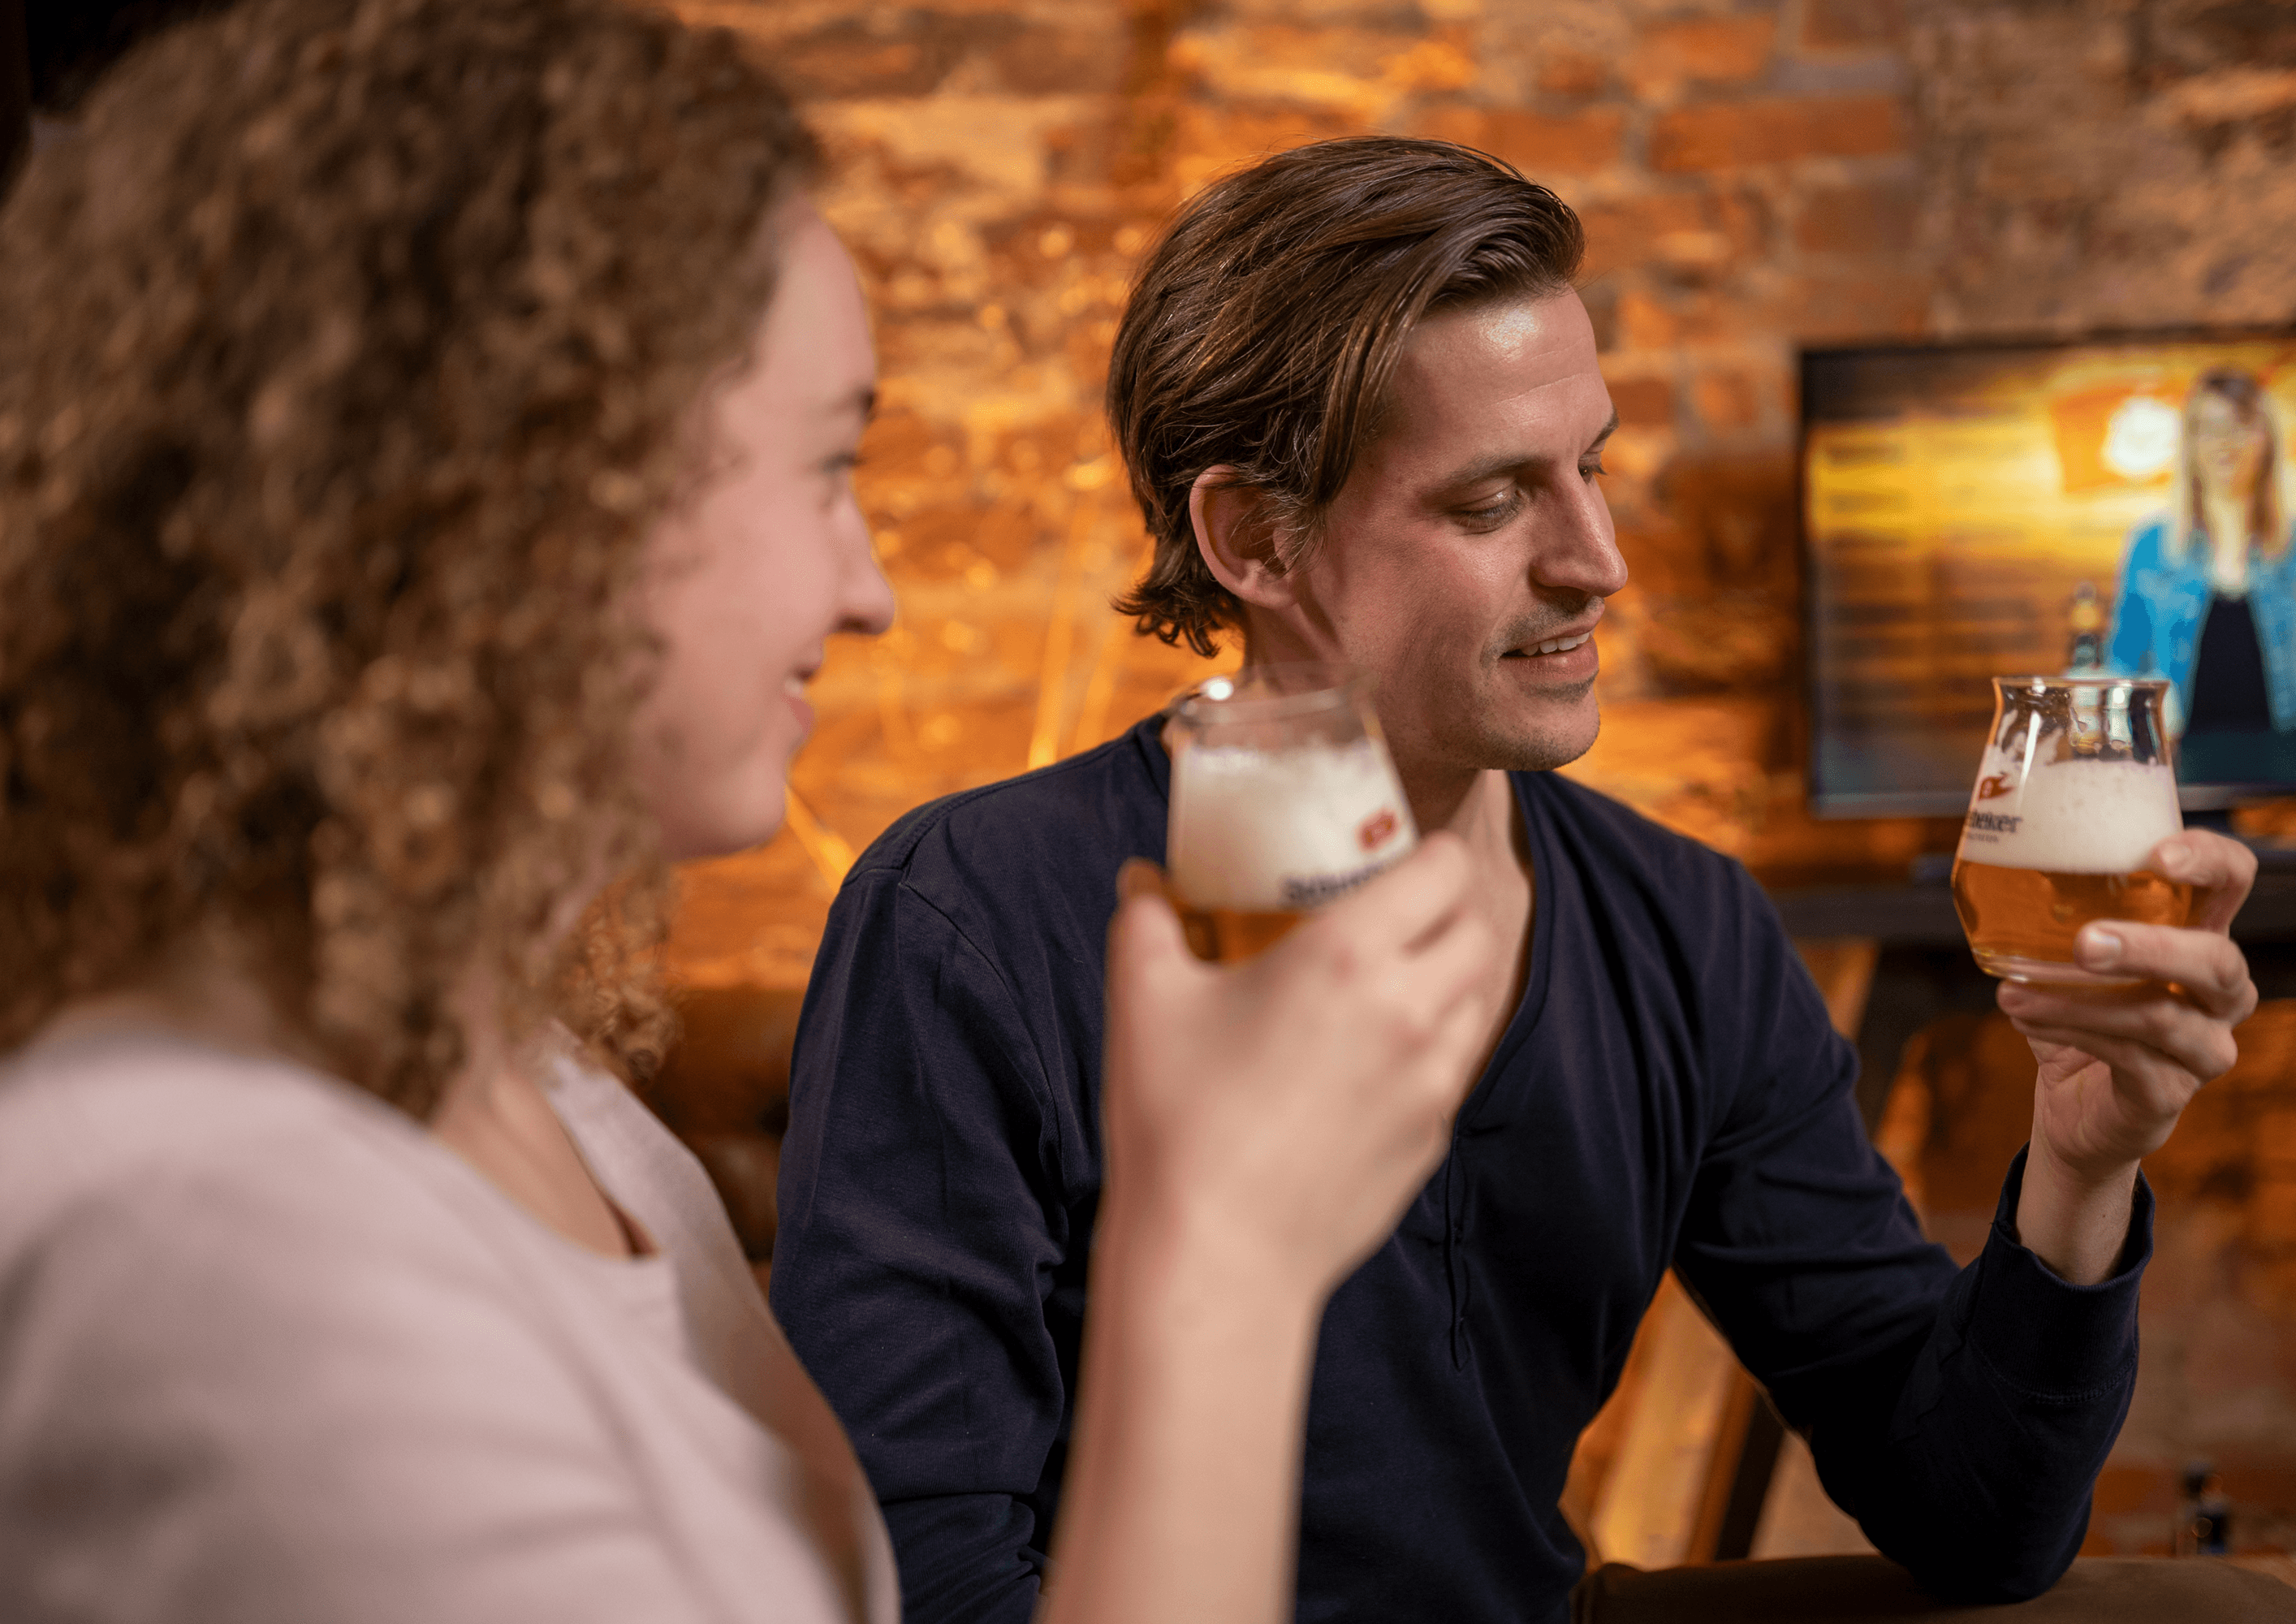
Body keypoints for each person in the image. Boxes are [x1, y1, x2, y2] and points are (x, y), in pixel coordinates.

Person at [0, 6, 1502, 1622]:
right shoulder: (213, 1247)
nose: (870, 592)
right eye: (829, 467)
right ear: (531, 501)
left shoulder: (545, 1096)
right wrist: (1224, 1254)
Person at [774, 138, 2269, 1624]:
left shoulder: (1685, 927)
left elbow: (1973, 1523)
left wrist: (2082, 1166)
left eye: (1591, 467)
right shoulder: (971, 922)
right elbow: (920, 1584)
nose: (1598, 560)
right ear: (1253, 539)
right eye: (1492, 502)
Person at [2106, 367, 2296, 741]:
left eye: (2240, 424)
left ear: (2267, 439)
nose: (2224, 441)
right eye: (2207, 427)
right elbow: (2123, 663)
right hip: (2180, 761)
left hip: (2290, 758)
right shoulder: (2150, 547)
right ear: (2190, 444)